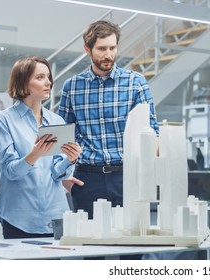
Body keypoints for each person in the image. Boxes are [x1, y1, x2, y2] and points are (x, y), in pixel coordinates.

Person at [58, 20, 159, 219]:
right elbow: (64, 137)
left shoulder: (135, 83)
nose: (108, 55)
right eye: (102, 48)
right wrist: (64, 175)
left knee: (132, 245)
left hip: (127, 176)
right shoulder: (72, 87)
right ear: (87, 49)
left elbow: (151, 130)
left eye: (113, 48)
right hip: (87, 178)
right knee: (89, 246)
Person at [0, 56, 82, 239]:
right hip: (19, 218)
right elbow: (10, 171)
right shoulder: (4, 120)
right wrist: (34, 155)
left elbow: (57, 174)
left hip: (55, 216)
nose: (48, 82)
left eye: (48, 77)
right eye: (40, 77)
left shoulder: (56, 121)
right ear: (23, 83)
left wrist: (69, 159)